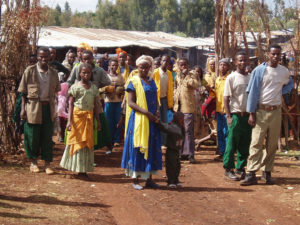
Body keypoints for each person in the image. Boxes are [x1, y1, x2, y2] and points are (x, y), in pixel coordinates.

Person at [241, 44, 294, 186]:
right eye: (273, 54)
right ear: (268, 54)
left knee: (272, 144)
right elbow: (251, 93)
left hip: (276, 111)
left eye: (278, 54)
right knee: (256, 142)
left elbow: (290, 83)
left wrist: (282, 92)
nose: (276, 57)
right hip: (260, 111)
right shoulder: (259, 71)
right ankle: (251, 173)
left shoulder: (284, 71)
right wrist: (251, 113)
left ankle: (267, 172)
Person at [121, 55, 162, 190]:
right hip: (139, 119)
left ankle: (149, 179)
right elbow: (131, 103)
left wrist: (156, 111)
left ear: (150, 68)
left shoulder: (152, 82)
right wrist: (146, 113)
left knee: (150, 146)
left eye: (146, 67)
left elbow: (156, 99)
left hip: (151, 120)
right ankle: (135, 179)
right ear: (137, 67)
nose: (143, 70)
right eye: (141, 67)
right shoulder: (133, 82)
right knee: (137, 146)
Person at [18, 47, 60, 174]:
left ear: (49, 57)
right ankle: (33, 162)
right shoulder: (29, 71)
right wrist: (22, 110)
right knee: (32, 136)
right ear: (37, 57)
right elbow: (23, 93)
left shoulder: (53, 73)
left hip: (48, 107)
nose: (43, 59)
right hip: (33, 108)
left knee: (47, 136)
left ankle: (47, 164)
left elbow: (56, 92)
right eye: (41, 56)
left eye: (45, 56)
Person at [67, 50, 112, 153]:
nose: (87, 61)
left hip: (95, 102)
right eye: (84, 59)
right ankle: (77, 149)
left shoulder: (100, 71)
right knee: (77, 129)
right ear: (81, 59)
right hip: (79, 103)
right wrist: (73, 92)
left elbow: (107, 84)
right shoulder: (77, 68)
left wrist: (99, 90)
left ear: (93, 59)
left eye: (89, 58)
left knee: (99, 125)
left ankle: (97, 148)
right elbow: (69, 82)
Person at [60, 63, 101, 179]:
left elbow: (96, 105)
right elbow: (71, 104)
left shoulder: (94, 88)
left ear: (91, 74)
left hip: (89, 119)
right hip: (77, 119)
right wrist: (69, 121)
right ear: (79, 74)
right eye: (84, 72)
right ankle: (75, 168)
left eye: (88, 72)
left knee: (87, 143)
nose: (86, 74)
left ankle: (83, 170)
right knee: (77, 142)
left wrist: (98, 121)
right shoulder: (75, 87)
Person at [223, 52, 252, 181]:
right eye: (240, 60)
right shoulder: (231, 77)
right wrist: (228, 116)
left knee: (245, 143)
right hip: (235, 115)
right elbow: (226, 98)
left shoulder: (251, 77)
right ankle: (228, 168)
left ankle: (240, 168)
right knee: (231, 143)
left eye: (245, 60)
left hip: (248, 116)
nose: (243, 62)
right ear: (235, 62)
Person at [174, 58, 199, 163]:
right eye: (181, 65)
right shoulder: (177, 76)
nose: (183, 67)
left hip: (188, 107)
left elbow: (195, 85)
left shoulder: (192, 75)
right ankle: (182, 153)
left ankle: (191, 154)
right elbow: (175, 87)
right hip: (178, 107)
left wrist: (187, 75)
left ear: (188, 65)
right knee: (180, 131)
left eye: (185, 65)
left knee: (188, 131)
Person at [156, 112, 184, 188]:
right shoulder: (173, 127)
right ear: (178, 119)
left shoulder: (181, 127)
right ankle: (170, 181)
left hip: (176, 150)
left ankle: (176, 180)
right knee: (171, 166)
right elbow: (165, 127)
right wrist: (158, 121)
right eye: (181, 119)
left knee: (177, 166)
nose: (183, 120)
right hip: (171, 150)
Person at [102, 58, 125, 147]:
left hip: (118, 101)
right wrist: (106, 90)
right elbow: (102, 88)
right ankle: (109, 139)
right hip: (108, 101)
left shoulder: (120, 76)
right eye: (112, 65)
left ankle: (116, 139)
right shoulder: (106, 76)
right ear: (109, 66)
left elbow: (124, 87)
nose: (114, 66)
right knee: (108, 121)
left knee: (118, 121)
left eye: (116, 65)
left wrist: (121, 90)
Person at [153, 55, 174, 147]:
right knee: (156, 120)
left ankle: (163, 142)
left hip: (165, 99)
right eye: (164, 60)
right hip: (155, 100)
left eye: (167, 61)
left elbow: (170, 89)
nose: (165, 63)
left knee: (164, 121)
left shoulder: (169, 73)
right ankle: (155, 141)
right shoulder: (155, 73)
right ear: (160, 61)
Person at [214, 58, 230, 161]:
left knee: (227, 133)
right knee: (219, 132)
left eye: (224, 65)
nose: (222, 67)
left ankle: (228, 153)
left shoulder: (230, 78)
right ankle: (222, 152)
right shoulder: (217, 79)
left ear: (228, 67)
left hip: (227, 111)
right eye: (221, 65)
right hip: (218, 110)